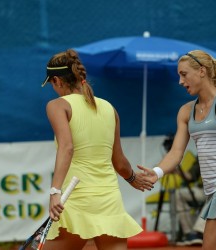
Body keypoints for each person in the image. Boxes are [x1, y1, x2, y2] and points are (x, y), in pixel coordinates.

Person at [40, 49, 153, 250]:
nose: (53, 88)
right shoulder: (110, 108)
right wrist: (133, 179)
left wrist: (55, 191)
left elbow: (67, 148)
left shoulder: (57, 105)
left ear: (57, 80)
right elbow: (119, 161)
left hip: (77, 200)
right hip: (109, 200)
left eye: (51, 84)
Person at [138, 50, 216, 250]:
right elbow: (176, 152)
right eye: (179, 75)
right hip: (214, 192)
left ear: (202, 71)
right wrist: (157, 172)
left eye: (184, 74)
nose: (180, 81)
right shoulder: (185, 111)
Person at [175, 158, 206, 246]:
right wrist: (175, 169)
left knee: (214, 195)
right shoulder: (203, 150)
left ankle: (199, 232)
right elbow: (190, 176)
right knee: (180, 193)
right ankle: (189, 233)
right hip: (203, 189)